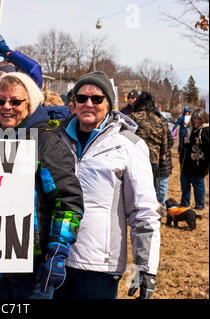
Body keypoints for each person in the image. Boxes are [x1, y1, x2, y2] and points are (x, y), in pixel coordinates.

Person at [53, 71, 161, 299]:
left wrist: (146, 268)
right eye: (81, 98)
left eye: (97, 99)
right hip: (56, 259)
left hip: (99, 266)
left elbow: (144, 211)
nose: (88, 104)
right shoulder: (55, 140)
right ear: (73, 103)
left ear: (110, 104)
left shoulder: (128, 146)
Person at [0, 71, 84, 299]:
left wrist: (58, 251)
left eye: (15, 101)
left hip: (33, 266)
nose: (6, 107)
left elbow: (68, 202)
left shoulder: (46, 141)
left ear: (30, 104)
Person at [128, 92, 168, 196]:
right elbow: (164, 142)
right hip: (154, 159)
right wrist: (162, 156)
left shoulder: (133, 117)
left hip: (136, 158)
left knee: (135, 189)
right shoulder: (159, 120)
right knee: (151, 187)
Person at [179, 108, 209, 210]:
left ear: (204, 119)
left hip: (199, 166)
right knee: (185, 184)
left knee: (198, 186)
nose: (196, 121)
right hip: (186, 164)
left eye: (199, 119)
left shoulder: (206, 131)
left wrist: (201, 157)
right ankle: (184, 204)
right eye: (194, 119)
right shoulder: (190, 129)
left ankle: (199, 207)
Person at [157, 113, 175, 209]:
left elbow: (171, 141)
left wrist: (161, 150)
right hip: (153, 161)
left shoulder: (164, 127)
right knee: (155, 186)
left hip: (164, 161)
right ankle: (156, 206)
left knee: (163, 185)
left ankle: (163, 206)